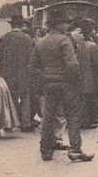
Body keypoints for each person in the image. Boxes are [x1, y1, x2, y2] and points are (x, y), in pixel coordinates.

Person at [28, 11, 92, 162]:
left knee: (48, 117)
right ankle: (75, 150)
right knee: (72, 116)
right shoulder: (64, 41)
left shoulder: (40, 42)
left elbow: (32, 67)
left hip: (49, 85)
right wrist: (76, 82)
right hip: (66, 84)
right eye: (65, 23)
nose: (67, 25)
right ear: (57, 25)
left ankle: (46, 151)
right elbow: (72, 64)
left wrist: (43, 79)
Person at [0, 15, 34, 131]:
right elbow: (31, 57)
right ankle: (26, 123)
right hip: (24, 72)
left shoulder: (5, 38)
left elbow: (1, 56)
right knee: (25, 97)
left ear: (11, 25)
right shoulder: (27, 38)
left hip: (9, 72)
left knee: (10, 98)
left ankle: (10, 123)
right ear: (21, 25)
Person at [77, 26, 98, 128]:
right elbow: (96, 63)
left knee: (84, 98)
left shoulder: (80, 44)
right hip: (90, 75)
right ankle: (86, 121)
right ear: (90, 32)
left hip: (81, 74)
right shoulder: (93, 46)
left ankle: (88, 119)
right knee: (89, 98)